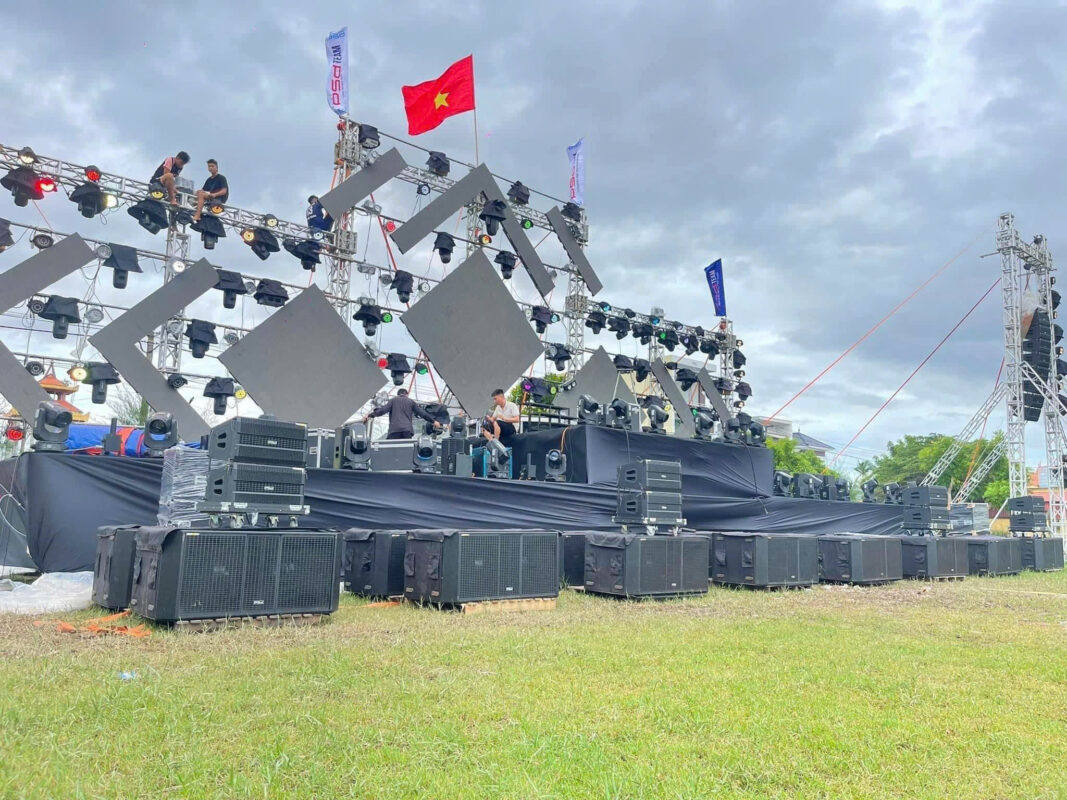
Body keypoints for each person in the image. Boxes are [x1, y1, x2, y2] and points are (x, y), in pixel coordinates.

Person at [362, 388, 441, 440]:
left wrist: (370, 415)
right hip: (407, 430)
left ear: (398, 394)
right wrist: (434, 421)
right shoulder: (411, 402)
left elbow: (382, 411)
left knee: (391, 451)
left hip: (394, 431)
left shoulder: (393, 400)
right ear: (406, 394)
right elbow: (422, 413)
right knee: (406, 451)